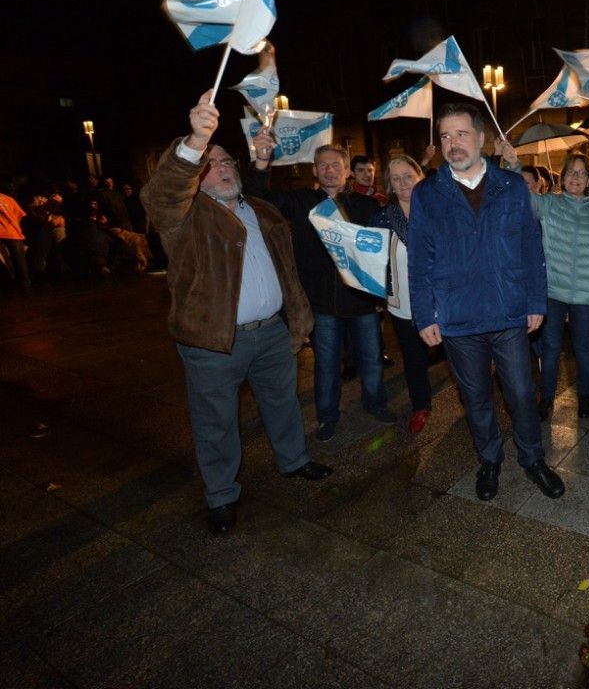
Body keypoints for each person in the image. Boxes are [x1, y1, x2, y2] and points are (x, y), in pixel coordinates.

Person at [141, 91, 331, 535]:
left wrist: (297, 322)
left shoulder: (259, 210)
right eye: (211, 163)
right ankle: (222, 495)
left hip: (271, 335)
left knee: (283, 404)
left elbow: (287, 268)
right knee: (216, 422)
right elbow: (160, 195)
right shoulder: (185, 218)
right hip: (213, 341)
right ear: (196, 177)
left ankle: (294, 461)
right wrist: (195, 140)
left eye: (227, 161)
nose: (223, 167)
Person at [408, 102, 564, 502]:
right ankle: (490, 459)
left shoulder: (511, 187)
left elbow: (532, 246)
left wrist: (536, 301)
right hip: (458, 318)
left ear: (481, 138)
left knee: (522, 393)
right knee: (475, 397)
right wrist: (424, 313)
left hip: (508, 310)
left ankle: (532, 459)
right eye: (445, 136)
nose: (453, 143)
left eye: (461, 134)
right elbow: (419, 259)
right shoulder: (428, 193)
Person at [244, 141, 397, 442]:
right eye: (323, 165)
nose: (329, 170)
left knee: (371, 358)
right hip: (322, 302)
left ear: (346, 171)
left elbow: (381, 251)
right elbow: (258, 197)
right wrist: (262, 161)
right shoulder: (301, 202)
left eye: (335, 165)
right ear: (314, 170)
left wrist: (382, 294)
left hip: (362, 301)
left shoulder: (365, 206)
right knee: (326, 364)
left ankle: (376, 403)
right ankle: (327, 416)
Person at [503, 149, 589, 420]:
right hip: (553, 291)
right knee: (550, 349)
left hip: (586, 293)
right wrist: (514, 164)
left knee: (583, 349)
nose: (575, 177)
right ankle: (546, 397)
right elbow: (521, 198)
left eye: (582, 173)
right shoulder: (549, 203)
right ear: (564, 176)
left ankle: (584, 396)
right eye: (571, 172)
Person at [370, 156, 434, 434]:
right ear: (390, 185)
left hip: (443, 303)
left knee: (460, 358)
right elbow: (373, 261)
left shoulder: (440, 213)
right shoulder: (382, 219)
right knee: (414, 359)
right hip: (403, 305)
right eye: (396, 178)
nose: (403, 182)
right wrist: (376, 293)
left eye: (408, 175)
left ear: (420, 176)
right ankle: (421, 405)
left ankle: (472, 403)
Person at [0, 189, 30, 289]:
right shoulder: (8, 199)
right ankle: (24, 285)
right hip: (13, 232)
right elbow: (19, 215)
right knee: (19, 261)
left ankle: (8, 283)